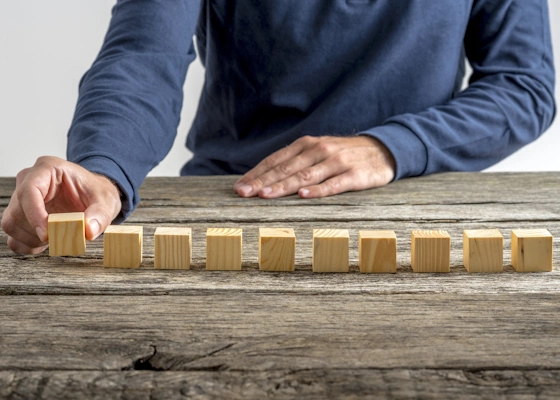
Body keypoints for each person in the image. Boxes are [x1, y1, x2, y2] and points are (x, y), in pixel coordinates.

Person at [2, 0, 555, 255]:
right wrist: (101, 169)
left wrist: (390, 147)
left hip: (420, 210)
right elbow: (145, 56)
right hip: (235, 203)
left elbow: (523, 86)